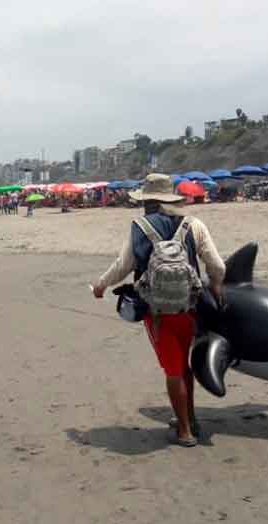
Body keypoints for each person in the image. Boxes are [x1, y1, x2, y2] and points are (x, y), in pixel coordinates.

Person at [90, 174, 227, 448]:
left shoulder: (140, 226)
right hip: (190, 307)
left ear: (148, 201)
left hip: (156, 312)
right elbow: (217, 266)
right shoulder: (193, 224)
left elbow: (123, 265)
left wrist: (101, 286)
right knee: (184, 364)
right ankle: (190, 418)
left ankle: (185, 432)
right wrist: (216, 288)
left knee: (172, 369)